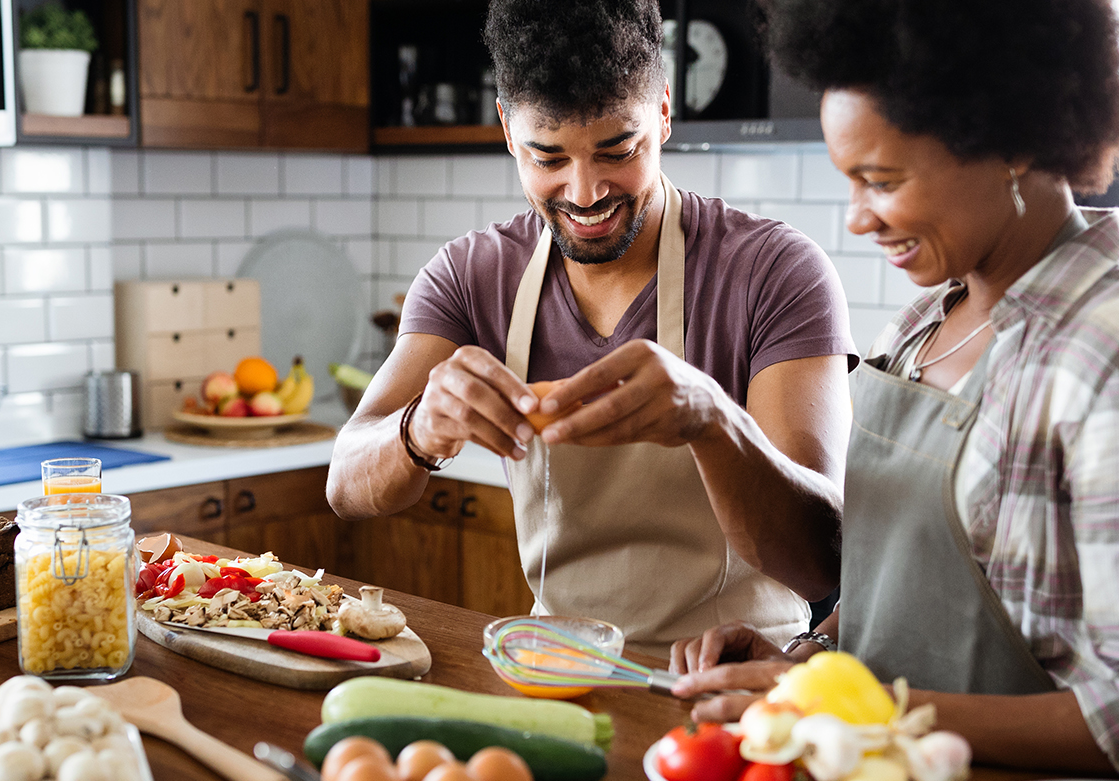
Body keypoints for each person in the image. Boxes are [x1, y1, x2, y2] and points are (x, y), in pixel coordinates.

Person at [669, 0, 1119, 781]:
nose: (857, 219)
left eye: (880, 181)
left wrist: (867, 711)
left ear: (1012, 144)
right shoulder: (925, 322)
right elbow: (896, 578)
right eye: (848, 181)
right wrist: (810, 662)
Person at [325, 0, 856, 658]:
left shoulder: (774, 271)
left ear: (663, 110)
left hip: (737, 681)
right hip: (559, 670)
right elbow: (345, 485)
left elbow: (821, 561)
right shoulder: (472, 275)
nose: (584, 192)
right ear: (507, 130)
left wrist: (713, 421)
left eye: (618, 150)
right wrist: (420, 428)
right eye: (548, 159)